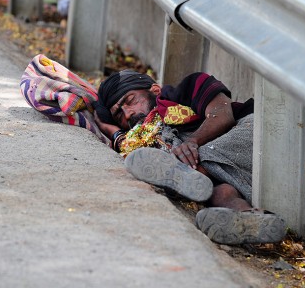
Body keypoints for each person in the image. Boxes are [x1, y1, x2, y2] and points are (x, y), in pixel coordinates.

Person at [93, 70, 286, 245]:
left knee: (183, 154)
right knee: (220, 193)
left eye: (130, 100)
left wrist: (193, 141)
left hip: (253, 137)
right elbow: (132, 146)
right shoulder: (141, 137)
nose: (128, 114)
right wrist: (115, 133)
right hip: (225, 171)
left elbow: (222, 114)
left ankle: (187, 173)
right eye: (119, 115)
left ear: (154, 89)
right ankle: (249, 220)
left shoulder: (189, 86)